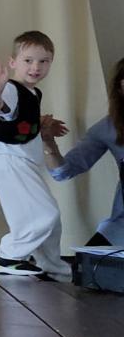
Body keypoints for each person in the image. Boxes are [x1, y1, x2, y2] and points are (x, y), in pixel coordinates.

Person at [0, 31, 71, 279]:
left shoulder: (33, 93)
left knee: (50, 217)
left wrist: (41, 125)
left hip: (23, 163)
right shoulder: (10, 89)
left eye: (44, 61)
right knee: (44, 215)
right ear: (13, 62)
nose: (36, 67)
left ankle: (50, 262)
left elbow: (19, 120)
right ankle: (7, 256)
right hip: (10, 161)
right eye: (28, 60)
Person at [41, 57, 124, 247]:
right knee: (86, 263)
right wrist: (48, 141)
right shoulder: (107, 128)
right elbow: (63, 171)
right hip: (120, 228)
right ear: (120, 88)